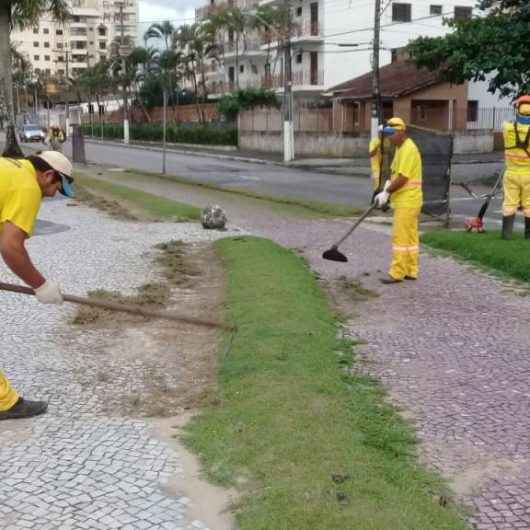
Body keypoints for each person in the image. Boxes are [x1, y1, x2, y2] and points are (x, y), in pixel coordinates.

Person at [0, 151, 74, 421]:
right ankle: (4, 403)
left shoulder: (11, 169)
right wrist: (40, 285)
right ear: (48, 175)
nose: (54, 194)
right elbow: (10, 246)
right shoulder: (28, 186)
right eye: (57, 187)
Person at [374, 117, 423, 284]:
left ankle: (397, 273)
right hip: (409, 200)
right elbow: (394, 174)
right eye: (387, 135)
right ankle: (411, 270)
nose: (389, 138)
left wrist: (386, 192)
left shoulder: (408, 149)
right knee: (410, 238)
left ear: (401, 132)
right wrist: (385, 190)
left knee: (400, 238)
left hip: (407, 201)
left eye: (391, 134)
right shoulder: (400, 148)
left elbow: (402, 178)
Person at [501, 95, 530, 239]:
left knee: (509, 203)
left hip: (511, 173)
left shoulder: (507, 128)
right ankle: (529, 235)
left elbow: (509, 121)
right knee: (529, 205)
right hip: (529, 175)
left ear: (517, 110)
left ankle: (507, 235)